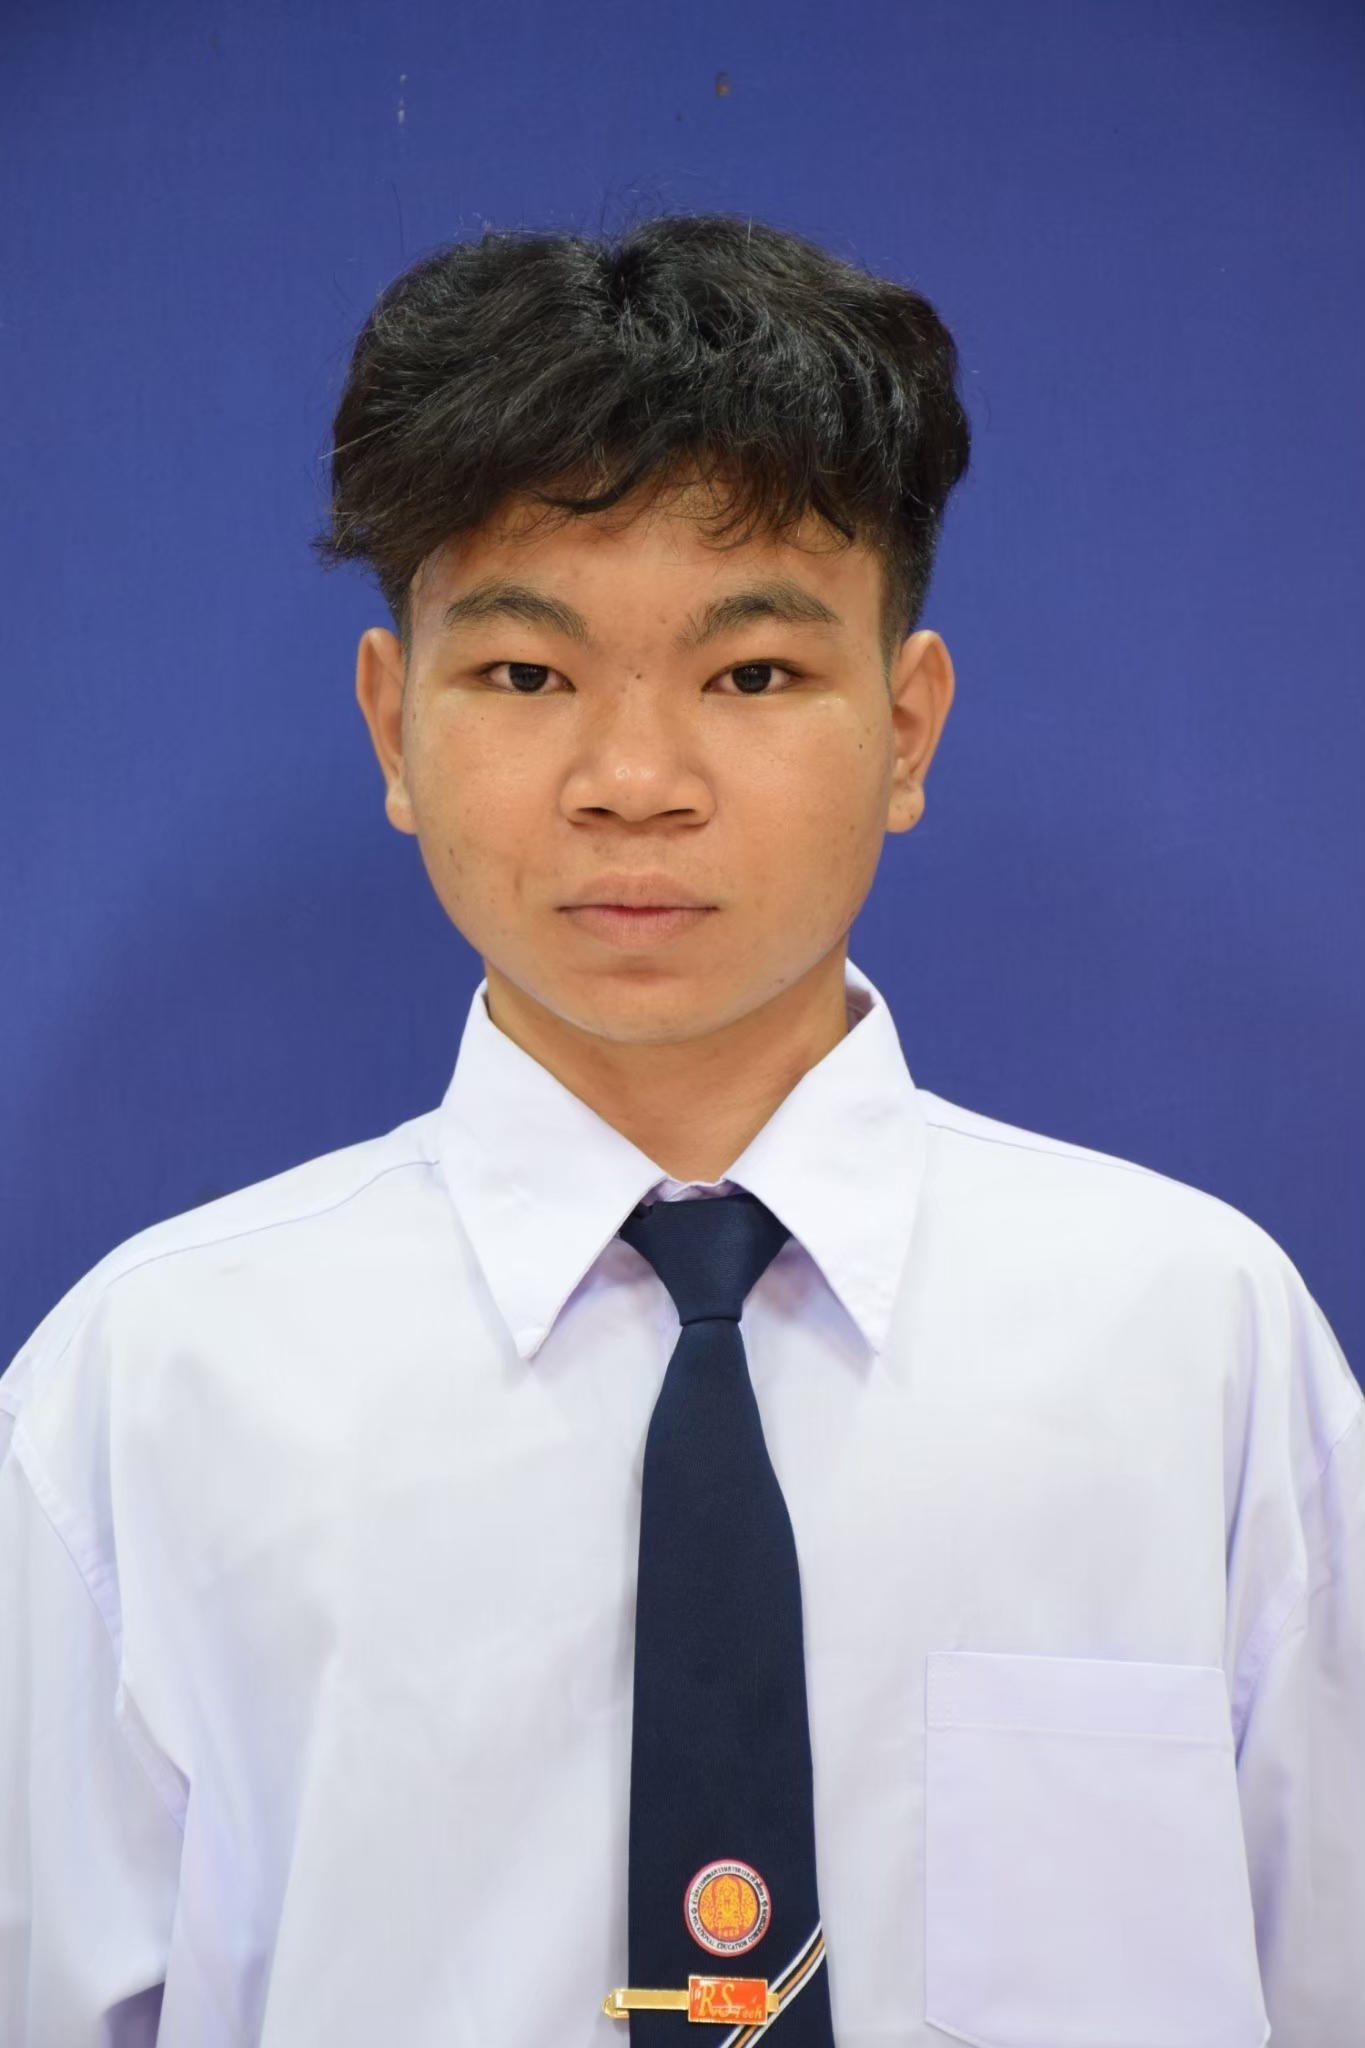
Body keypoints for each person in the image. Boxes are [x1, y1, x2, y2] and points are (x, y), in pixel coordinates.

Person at [0, 215, 1360, 2048]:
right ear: (394, 726)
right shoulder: (148, 1391)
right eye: (524, 675)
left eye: (753, 676)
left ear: (906, 727)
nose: (632, 782)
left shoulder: (1195, 1342)